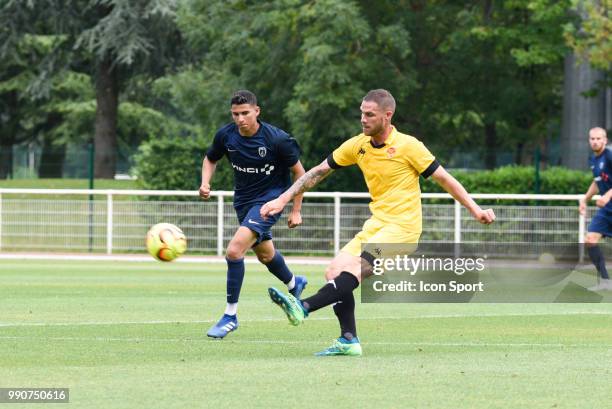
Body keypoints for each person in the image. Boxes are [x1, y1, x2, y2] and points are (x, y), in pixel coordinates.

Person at [260, 89, 496, 356]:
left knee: (358, 267)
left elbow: (445, 179)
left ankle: (303, 307)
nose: (363, 119)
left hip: (404, 228)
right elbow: (317, 172)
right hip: (377, 224)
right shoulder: (358, 145)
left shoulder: (409, 146)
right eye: (361, 113)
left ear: (387, 115)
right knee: (334, 272)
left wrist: (475, 210)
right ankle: (349, 340)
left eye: (369, 114)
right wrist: (283, 200)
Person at [199, 90, 308, 338]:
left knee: (234, 251)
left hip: (270, 202)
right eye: (236, 114)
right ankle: (294, 283)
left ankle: (230, 315)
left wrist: (295, 209)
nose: (240, 119)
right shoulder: (226, 136)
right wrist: (206, 183)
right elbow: (210, 158)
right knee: (266, 255)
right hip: (244, 202)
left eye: (245, 113)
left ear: (257, 111)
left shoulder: (277, 139)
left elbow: (301, 174)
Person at [579, 127, 612, 291]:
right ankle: (605, 281)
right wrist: (585, 199)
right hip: (608, 209)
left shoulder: (610, 155)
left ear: (605, 140)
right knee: (590, 240)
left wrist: (607, 196)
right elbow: (597, 182)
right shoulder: (593, 160)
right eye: (592, 139)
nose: (595, 141)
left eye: (599, 138)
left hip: (608, 202)